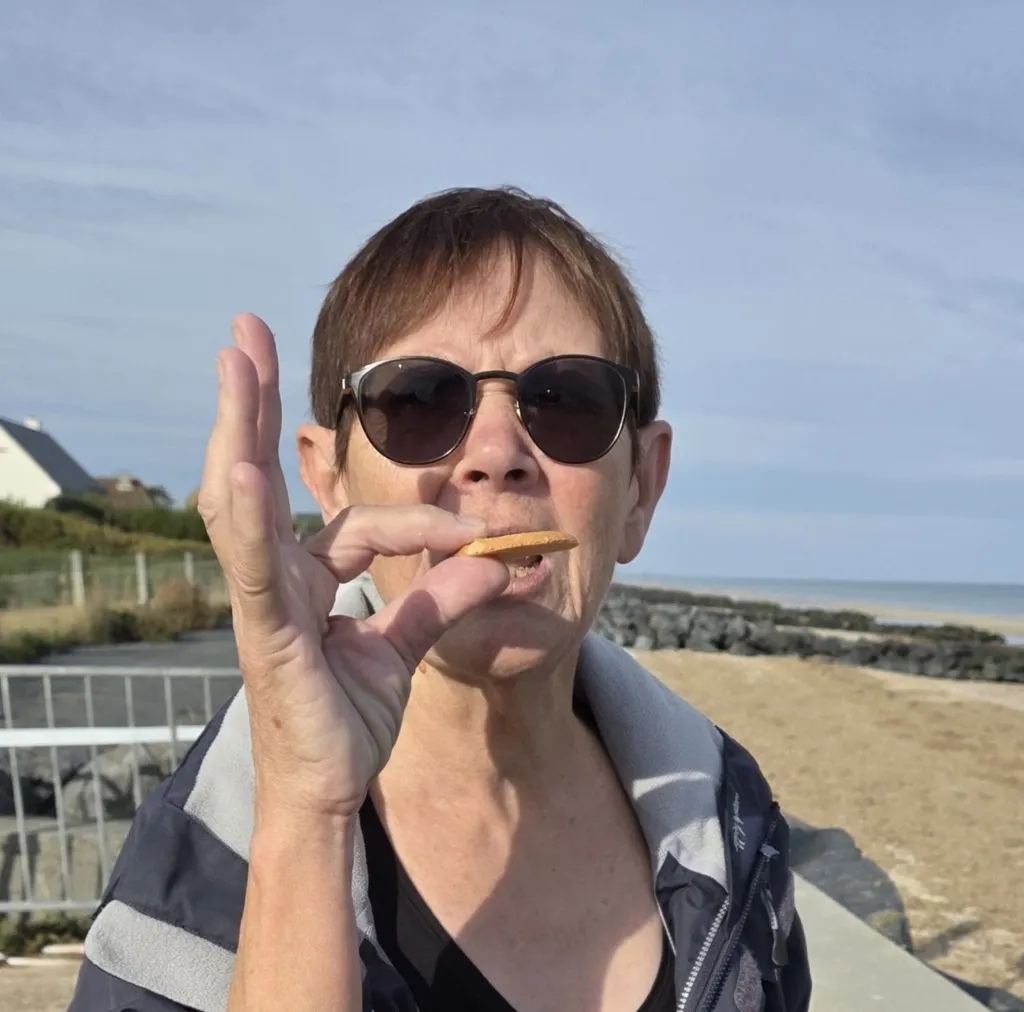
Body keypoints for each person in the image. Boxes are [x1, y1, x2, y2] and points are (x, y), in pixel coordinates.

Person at [68, 186, 811, 1012]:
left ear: (641, 487)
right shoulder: (181, 895)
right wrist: (305, 816)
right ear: (329, 480)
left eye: (566, 399)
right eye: (418, 400)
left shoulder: (734, 831)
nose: (496, 453)